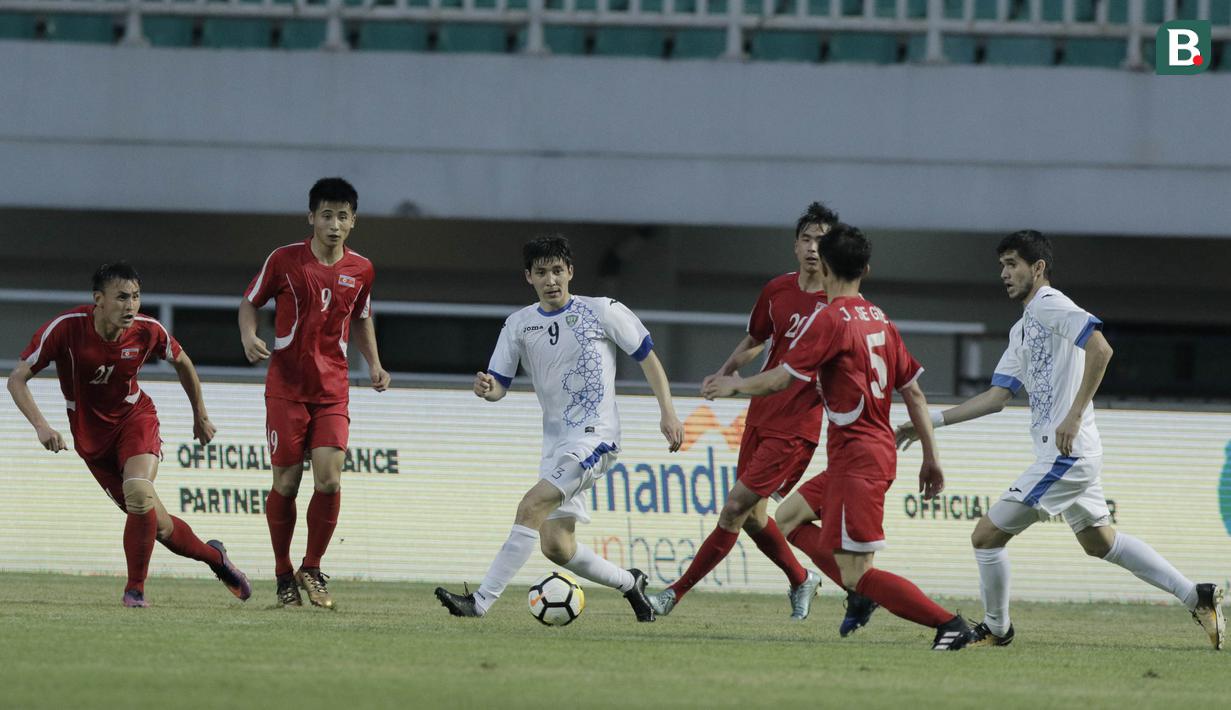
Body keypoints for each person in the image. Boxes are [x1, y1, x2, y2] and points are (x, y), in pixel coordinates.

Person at [896, 230, 1225, 649]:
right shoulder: (1022, 328)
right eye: (1001, 265)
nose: (1004, 273)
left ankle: (997, 629)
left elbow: (1101, 349)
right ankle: (1196, 595)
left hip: (1066, 454)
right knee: (1100, 542)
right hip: (1072, 453)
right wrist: (927, 421)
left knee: (985, 537)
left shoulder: (1051, 304)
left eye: (1012, 264)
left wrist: (1072, 414)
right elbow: (997, 397)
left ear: (1038, 268)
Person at [704, 223, 974, 650]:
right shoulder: (880, 318)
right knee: (788, 517)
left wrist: (733, 385)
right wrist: (930, 457)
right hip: (868, 452)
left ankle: (949, 624)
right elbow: (915, 393)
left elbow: (781, 379)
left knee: (858, 573)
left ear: (826, 268)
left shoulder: (829, 319)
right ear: (866, 268)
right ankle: (865, 597)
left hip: (858, 461)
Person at [648, 202, 877, 633]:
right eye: (807, 239)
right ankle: (804, 579)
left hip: (798, 426)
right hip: (759, 417)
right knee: (754, 517)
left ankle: (672, 594)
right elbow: (757, 338)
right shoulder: (777, 290)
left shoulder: (843, 305)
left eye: (822, 242)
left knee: (734, 507)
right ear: (795, 245)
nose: (813, 248)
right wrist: (727, 370)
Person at [435, 235, 685, 621]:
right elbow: (499, 384)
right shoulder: (519, 324)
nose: (551, 279)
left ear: (570, 271)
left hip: (596, 438)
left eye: (557, 271)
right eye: (541, 273)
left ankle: (480, 602)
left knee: (530, 506)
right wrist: (488, 389)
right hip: (556, 444)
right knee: (556, 545)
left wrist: (667, 412)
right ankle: (629, 583)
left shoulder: (602, 311)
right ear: (528, 278)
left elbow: (647, 357)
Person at [7, 262, 250, 608]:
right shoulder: (65, 329)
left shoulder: (147, 330)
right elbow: (17, 378)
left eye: (135, 296)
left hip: (135, 420)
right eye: (121, 297)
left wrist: (200, 415)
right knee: (160, 527)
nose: (131, 306)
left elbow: (183, 362)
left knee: (138, 490)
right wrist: (41, 426)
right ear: (98, 300)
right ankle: (216, 558)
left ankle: (134, 590)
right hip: (92, 442)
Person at [238, 177, 390, 608]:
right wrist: (249, 336)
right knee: (285, 483)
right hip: (286, 389)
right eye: (326, 215)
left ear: (353, 221)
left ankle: (312, 565)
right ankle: (284, 573)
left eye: (343, 216)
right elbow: (250, 302)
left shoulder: (362, 269)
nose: (335, 224)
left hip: (332, 390)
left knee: (329, 478)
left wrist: (375, 364)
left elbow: (361, 318)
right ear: (311, 218)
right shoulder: (284, 260)